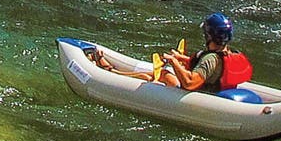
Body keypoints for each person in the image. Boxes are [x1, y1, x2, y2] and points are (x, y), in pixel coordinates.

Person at [92, 13, 252, 93]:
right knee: (152, 76)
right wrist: (181, 58)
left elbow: (190, 84)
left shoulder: (210, 59)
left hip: (200, 96)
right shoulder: (227, 53)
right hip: (214, 91)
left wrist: (173, 62)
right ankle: (113, 72)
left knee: (162, 74)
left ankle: (110, 72)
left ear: (208, 35)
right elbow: (207, 68)